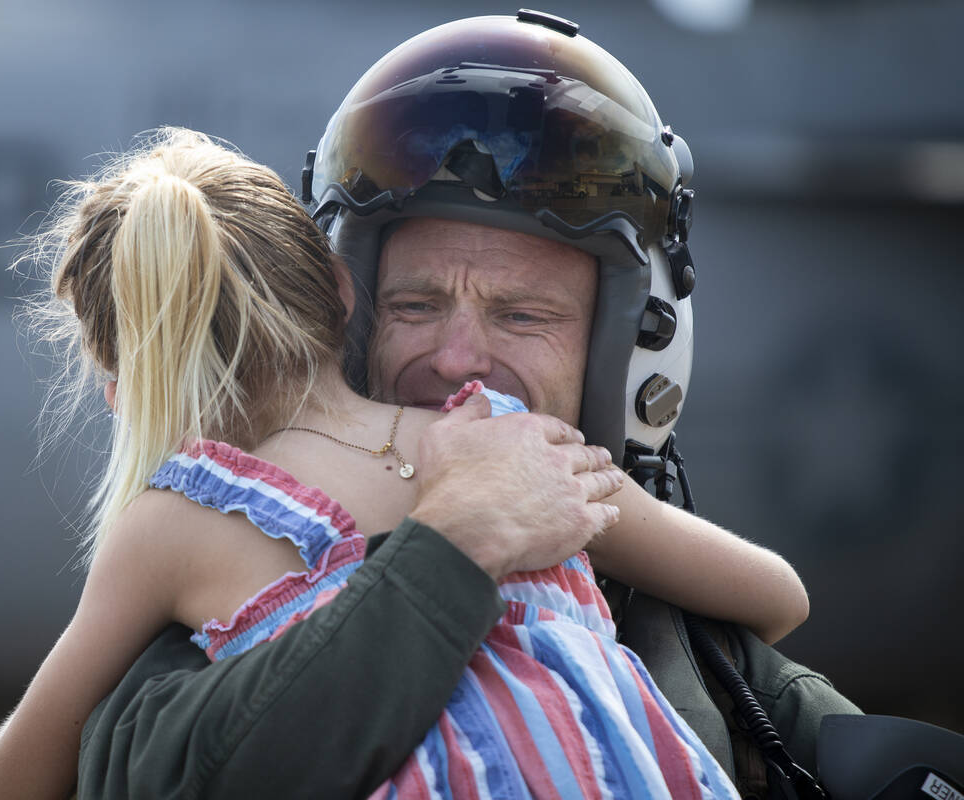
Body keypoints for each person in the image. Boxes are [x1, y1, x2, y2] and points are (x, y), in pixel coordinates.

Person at [73, 11, 862, 800]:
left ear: (629, 346)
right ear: (347, 313)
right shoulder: (174, 680)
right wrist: (451, 547)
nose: (457, 361)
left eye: (522, 315)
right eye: (414, 306)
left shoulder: (729, 686)